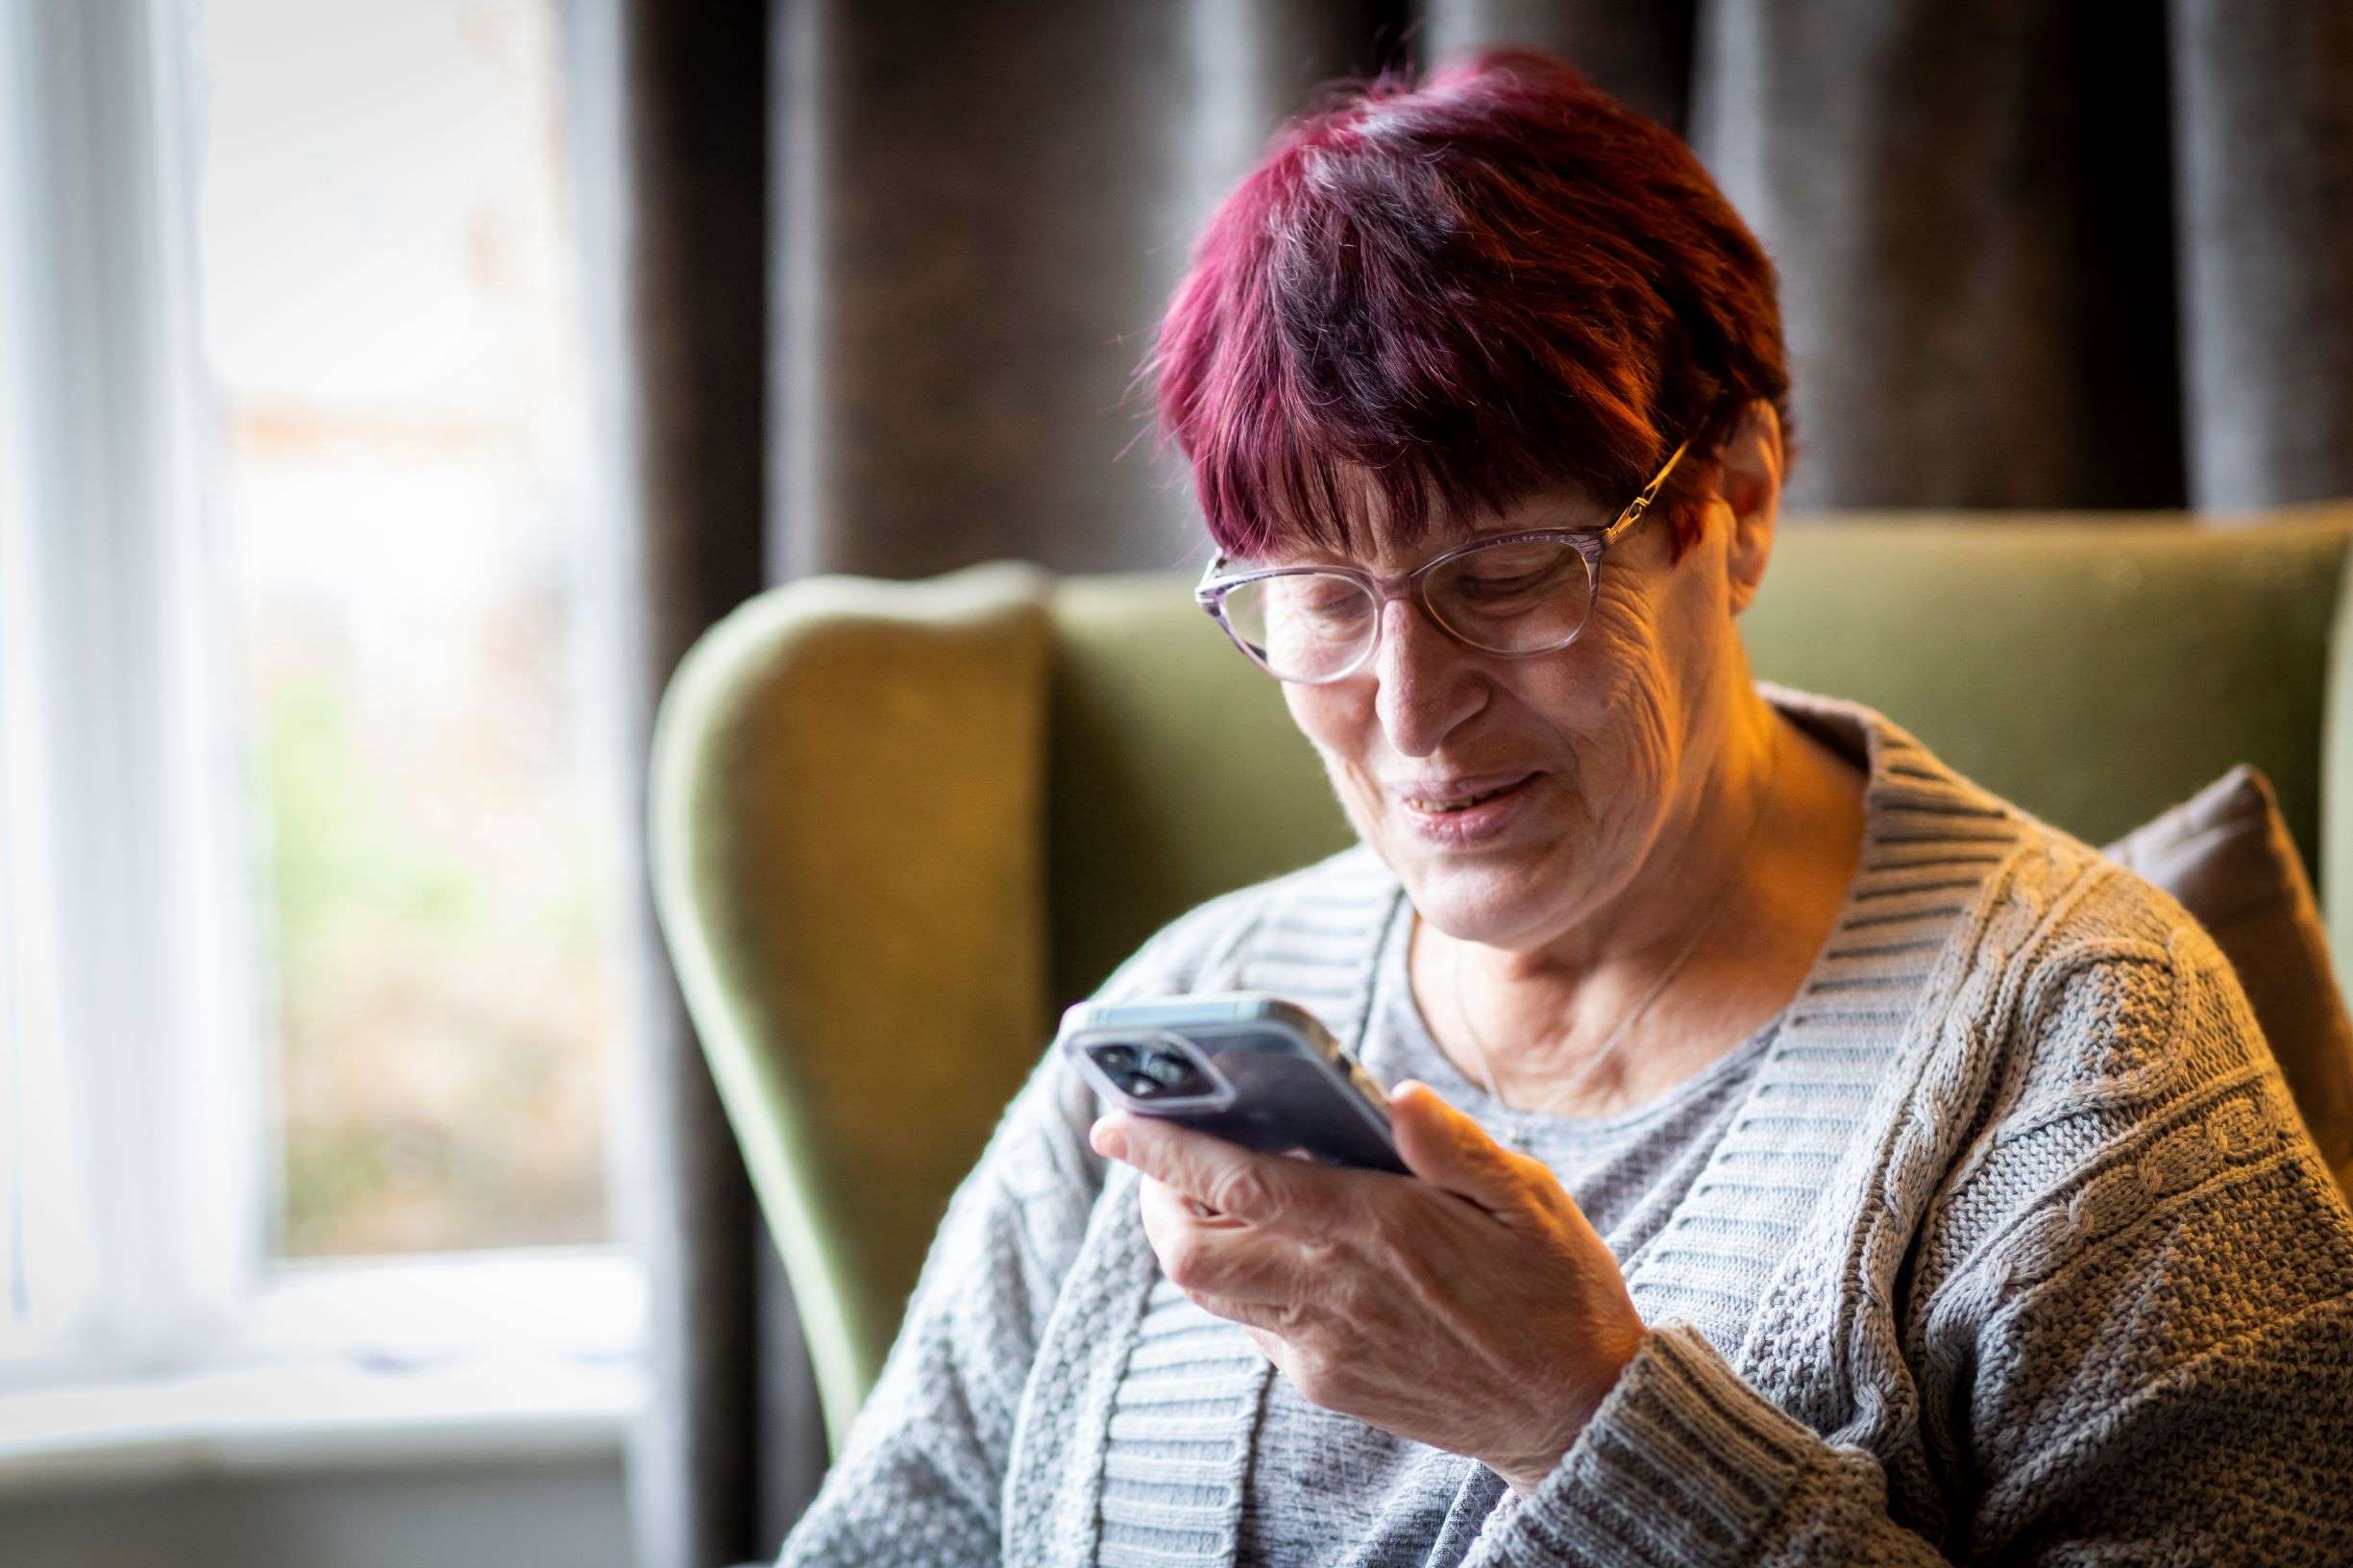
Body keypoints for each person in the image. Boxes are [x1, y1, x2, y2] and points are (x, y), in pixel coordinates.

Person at [779, 48, 2353, 1567]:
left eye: (1506, 573)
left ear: (1730, 504)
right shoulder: (1184, 1023)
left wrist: (1581, 1426)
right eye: (1321, 598)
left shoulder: (2079, 1043)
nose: (1409, 709)